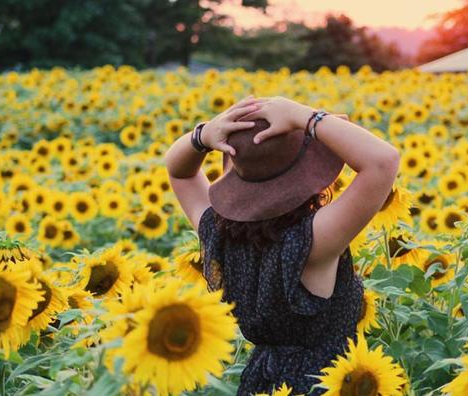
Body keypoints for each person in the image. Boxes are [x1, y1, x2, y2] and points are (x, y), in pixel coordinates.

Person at [165, 95, 400, 395]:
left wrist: (202, 136)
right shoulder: (311, 241)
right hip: (329, 384)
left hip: (261, 385)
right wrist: (304, 116)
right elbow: (382, 162)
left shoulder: (217, 232)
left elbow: (179, 172)